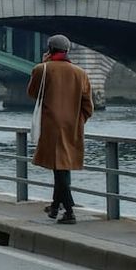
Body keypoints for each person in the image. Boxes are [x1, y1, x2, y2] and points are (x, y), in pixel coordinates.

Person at [27, 34, 93, 224]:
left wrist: (43, 65)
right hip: (72, 126)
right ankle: (55, 207)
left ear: (49, 49)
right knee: (62, 168)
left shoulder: (42, 69)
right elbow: (88, 105)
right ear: (67, 51)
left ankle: (70, 210)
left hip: (51, 127)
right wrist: (77, 121)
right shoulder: (80, 73)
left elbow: (32, 93)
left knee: (59, 168)